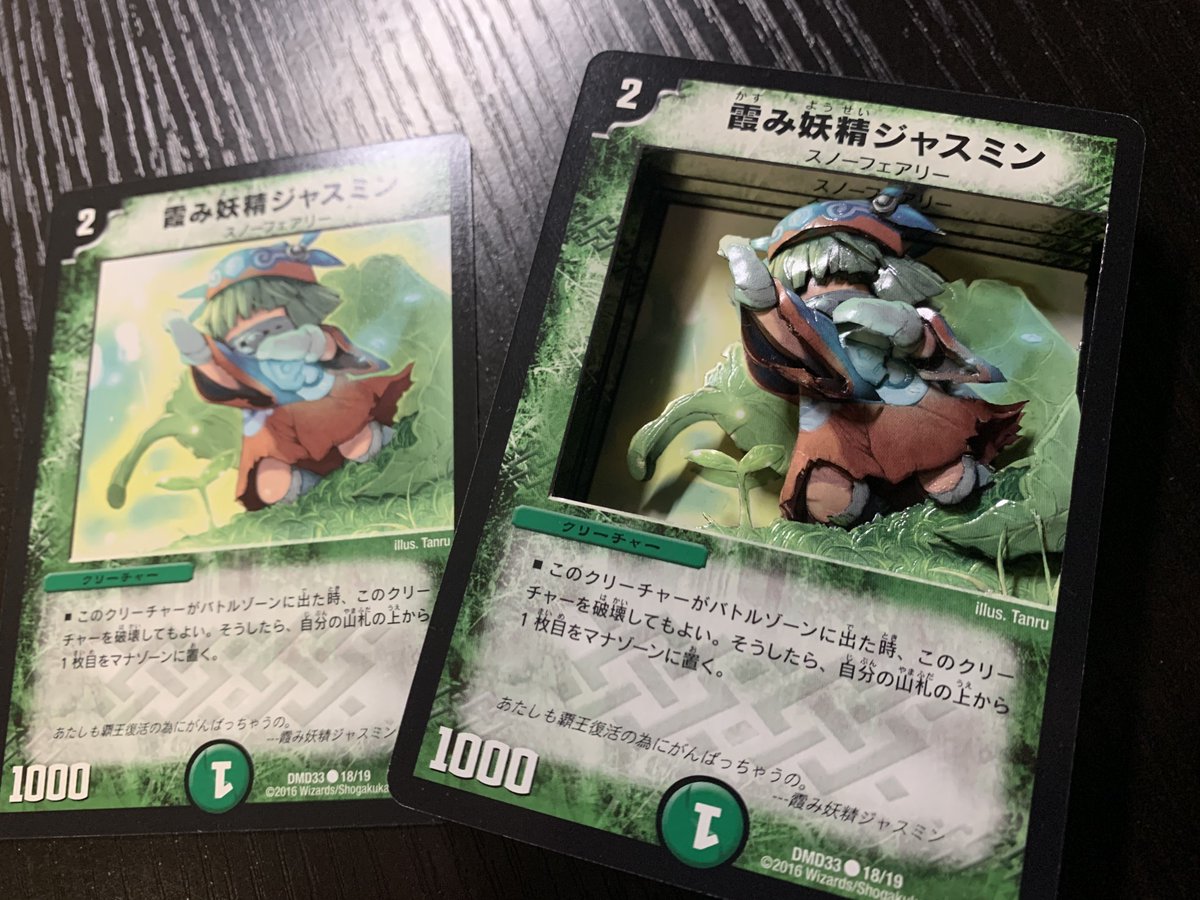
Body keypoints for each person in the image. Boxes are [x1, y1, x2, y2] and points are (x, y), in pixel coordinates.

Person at [718, 188, 1023, 526]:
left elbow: (938, 352)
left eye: (846, 276)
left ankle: (938, 464)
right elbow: (784, 345)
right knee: (827, 491)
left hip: (902, 402)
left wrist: (907, 332)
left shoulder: (889, 312)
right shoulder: (806, 326)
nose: (826, 294)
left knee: (939, 458)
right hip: (832, 415)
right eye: (803, 284)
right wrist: (762, 301)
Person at [165, 232, 413, 510]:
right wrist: (198, 354)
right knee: (271, 484)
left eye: (264, 311)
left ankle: (370, 443)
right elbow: (223, 382)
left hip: (330, 408)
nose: (254, 328)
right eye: (236, 324)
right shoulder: (245, 365)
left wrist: (307, 343)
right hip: (277, 429)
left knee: (358, 442)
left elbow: (335, 351)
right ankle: (306, 485)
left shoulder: (308, 336)